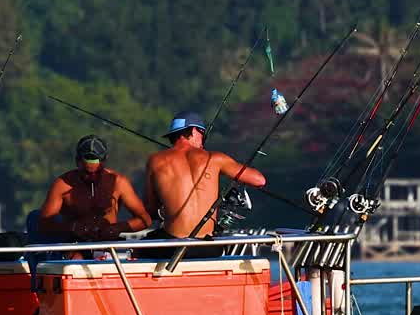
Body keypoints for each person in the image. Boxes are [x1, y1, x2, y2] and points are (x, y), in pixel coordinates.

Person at [141, 111, 266, 259]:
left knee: (140, 247)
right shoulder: (215, 159)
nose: (202, 142)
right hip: (208, 248)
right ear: (194, 130)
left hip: (172, 247)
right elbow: (259, 180)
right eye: (203, 135)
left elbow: (149, 208)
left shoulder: (155, 160)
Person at [37, 135, 153, 255]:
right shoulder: (62, 185)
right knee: (76, 258)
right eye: (86, 173)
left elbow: (145, 219)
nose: (92, 177)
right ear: (77, 162)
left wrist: (117, 228)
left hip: (109, 245)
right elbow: (44, 224)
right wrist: (72, 227)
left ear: (104, 163)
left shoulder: (119, 183)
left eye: (97, 172)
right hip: (75, 245)